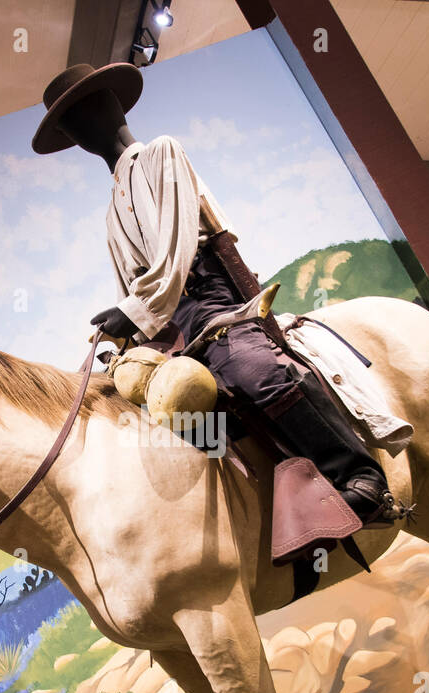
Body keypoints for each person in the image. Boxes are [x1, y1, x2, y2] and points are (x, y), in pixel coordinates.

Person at [31, 62, 397, 528]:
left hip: (211, 297)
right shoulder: (109, 215)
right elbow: (130, 285)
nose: (79, 128)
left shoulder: (161, 153)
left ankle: (359, 476)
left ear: (108, 104)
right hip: (163, 322)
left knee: (251, 369)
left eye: (81, 111)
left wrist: (133, 310)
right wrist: (127, 341)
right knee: (159, 413)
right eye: (69, 123)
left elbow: (178, 246)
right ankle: (255, 509)